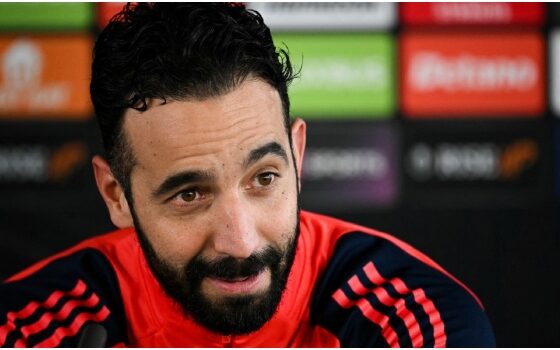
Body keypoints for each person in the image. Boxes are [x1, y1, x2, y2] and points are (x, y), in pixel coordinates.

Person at [0, 3, 495, 347]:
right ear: (117, 196)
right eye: (189, 194)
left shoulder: (414, 318)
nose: (240, 243)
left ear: (297, 156)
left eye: (263, 178)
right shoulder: (27, 327)